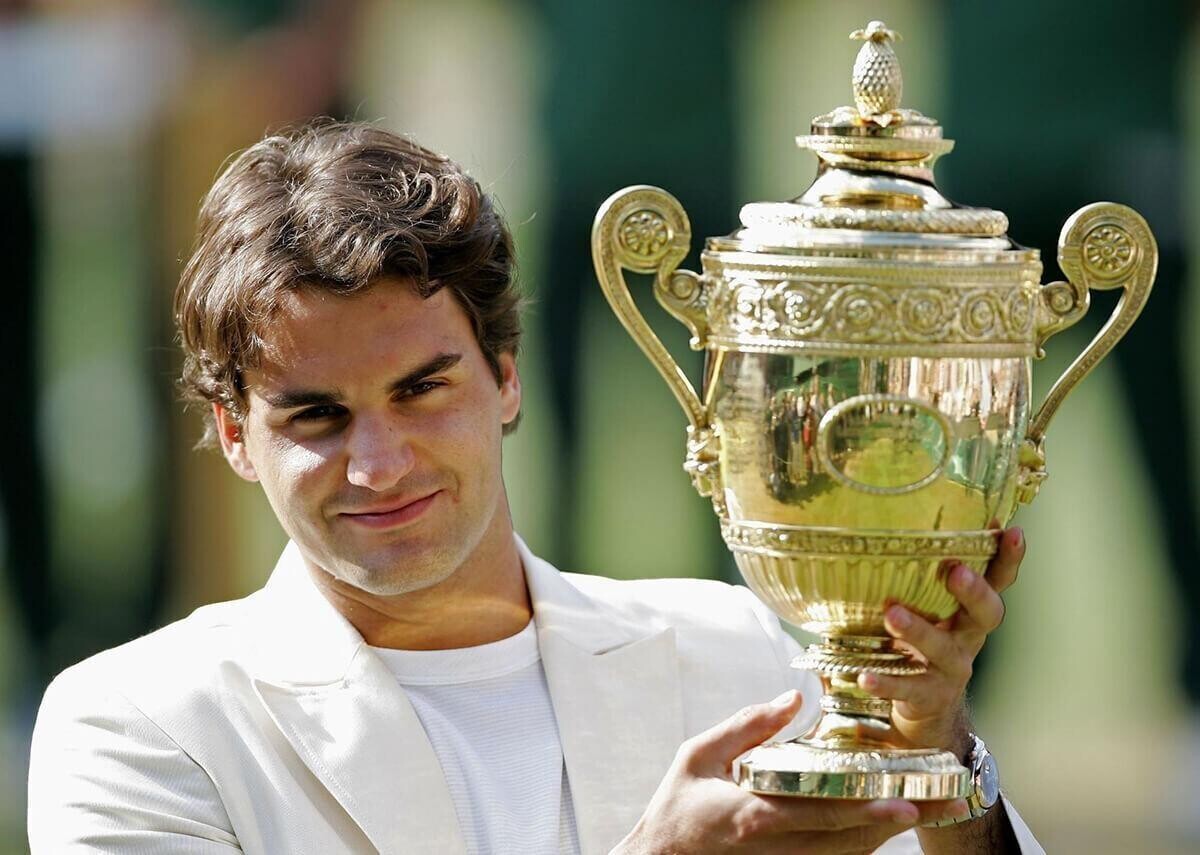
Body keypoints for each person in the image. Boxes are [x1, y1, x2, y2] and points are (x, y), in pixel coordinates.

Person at [27, 121, 1042, 854]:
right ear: (233, 436)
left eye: (422, 390)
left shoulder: (734, 654)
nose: (379, 464)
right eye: (316, 416)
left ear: (507, 379)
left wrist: (938, 749)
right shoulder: (138, 725)